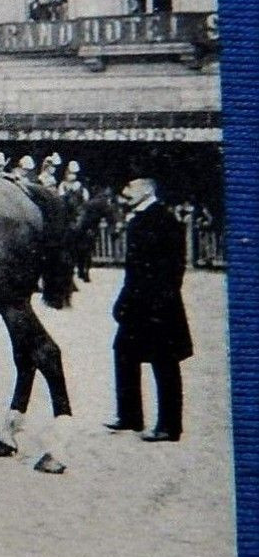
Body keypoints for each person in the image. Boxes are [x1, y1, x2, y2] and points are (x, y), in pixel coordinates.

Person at [106, 172, 193, 442]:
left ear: (146, 189)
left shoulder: (163, 219)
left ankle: (169, 426)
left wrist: (159, 301)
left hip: (159, 305)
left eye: (130, 185)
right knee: (124, 352)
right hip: (138, 302)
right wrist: (126, 300)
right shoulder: (141, 217)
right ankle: (130, 416)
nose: (125, 189)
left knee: (164, 362)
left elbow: (173, 266)